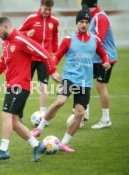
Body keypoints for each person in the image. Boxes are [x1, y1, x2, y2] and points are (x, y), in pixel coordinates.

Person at [0, 17, 61, 162]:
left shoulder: (20, 40)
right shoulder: (7, 44)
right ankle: (37, 145)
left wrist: (52, 71)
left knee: (5, 116)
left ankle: (3, 150)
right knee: (15, 121)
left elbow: (43, 53)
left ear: (6, 26)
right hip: (13, 86)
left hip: (19, 86)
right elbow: (2, 65)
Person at [31, 8, 111, 152]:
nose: (84, 25)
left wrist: (105, 62)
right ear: (77, 23)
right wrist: (53, 71)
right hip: (69, 78)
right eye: (81, 22)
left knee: (80, 113)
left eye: (87, 22)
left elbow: (104, 55)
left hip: (85, 82)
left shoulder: (95, 40)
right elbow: (56, 57)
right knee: (60, 101)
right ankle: (40, 127)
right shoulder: (69, 39)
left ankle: (63, 143)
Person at [81, 0, 117, 129]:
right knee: (84, 84)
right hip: (94, 58)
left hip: (106, 58)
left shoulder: (100, 17)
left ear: (85, 6)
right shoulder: (91, 16)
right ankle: (83, 114)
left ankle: (106, 119)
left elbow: (98, 40)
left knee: (100, 86)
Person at [19, 0, 59, 116]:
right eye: (45, 9)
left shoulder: (55, 22)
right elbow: (17, 33)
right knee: (25, 87)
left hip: (44, 59)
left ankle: (43, 116)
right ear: (40, 6)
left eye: (49, 10)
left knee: (43, 87)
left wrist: (56, 53)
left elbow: (55, 37)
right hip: (29, 58)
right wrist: (27, 33)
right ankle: (18, 114)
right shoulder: (30, 18)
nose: (47, 12)